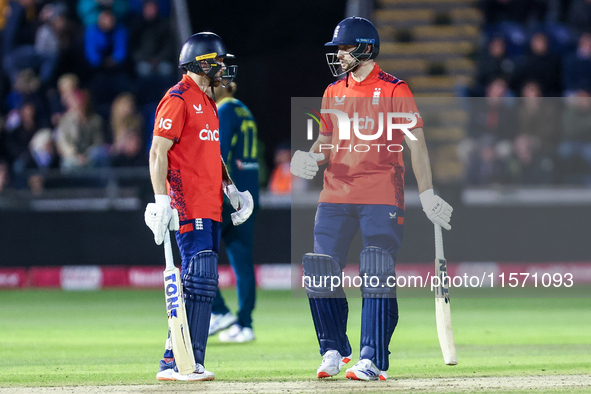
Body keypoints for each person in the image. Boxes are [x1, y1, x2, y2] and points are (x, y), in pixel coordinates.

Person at [290, 17, 453, 381]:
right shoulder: (333, 91)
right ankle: (333, 348)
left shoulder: (396, 90)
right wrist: (311, 156)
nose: (339, 56)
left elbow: (417, 146)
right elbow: (327, 140)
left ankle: (372, 358)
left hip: (381, 192)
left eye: (345, 49)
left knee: (376, 270)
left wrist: (427, 194)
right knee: (320, 270)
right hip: (335, 193)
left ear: (364, 48)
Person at [144, 32, 253, 382]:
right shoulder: (177, 98)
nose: (223, 68)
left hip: (211, 205)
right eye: (217, 62)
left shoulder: (208, 104)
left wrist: (231, 189)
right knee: (201, 276)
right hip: (186, 202)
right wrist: (160, 198)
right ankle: (180, 363)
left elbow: (212, 154)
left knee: (199, 281)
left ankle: (178, 359)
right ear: (202, 63)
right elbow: (158, 151)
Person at [208, 81, 260, 342]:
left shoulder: (224, 110)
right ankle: (245, 324)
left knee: (199, 256)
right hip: (249, 195)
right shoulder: (244, 110)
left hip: (229, 197)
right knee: (242, 263)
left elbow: (217, 154)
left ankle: (219, 311)